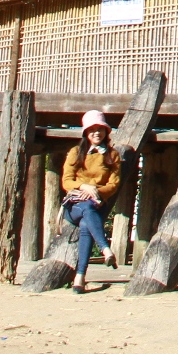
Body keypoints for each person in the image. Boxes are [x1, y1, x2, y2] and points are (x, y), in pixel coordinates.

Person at [62, 110, 123, 292]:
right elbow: (67, 181)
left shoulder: (113, 155)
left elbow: (114, 184)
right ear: (85, 133)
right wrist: (83, 187)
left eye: (100, 129)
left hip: (96, 203)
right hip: (74, 206)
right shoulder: (75, 152)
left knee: (86, 226)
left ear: (106, 132)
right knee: (87, 210)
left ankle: (79, 277)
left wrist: (95, 191)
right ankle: (105, 249)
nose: (97, 133)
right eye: (92, 130)